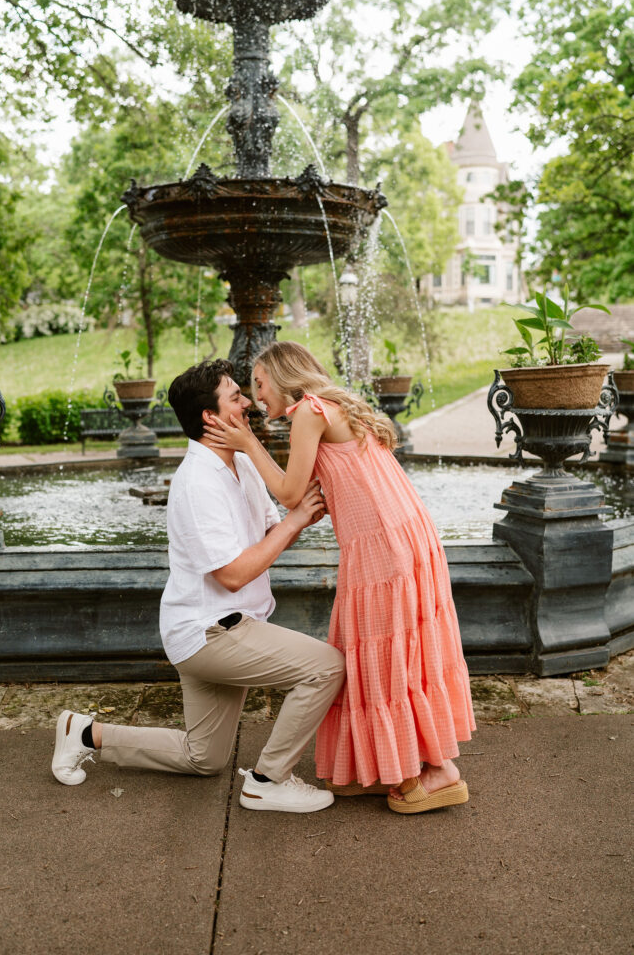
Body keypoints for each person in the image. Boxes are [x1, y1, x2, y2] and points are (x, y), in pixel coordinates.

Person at [51, 358, 345, 814]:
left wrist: (299, 515)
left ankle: (84, 732)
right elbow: (230, 575)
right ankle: (270, 779)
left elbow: (274, 530)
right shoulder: (196, 483)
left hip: (223, 626)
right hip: (211, 633)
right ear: (211, 417)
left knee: (203, 757)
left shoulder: (242, 464)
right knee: (326, 667)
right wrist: (296, 521)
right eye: (235, 397)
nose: (247, 402)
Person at [203, 341, 476, 814]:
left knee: (391, 656)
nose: (256, 396)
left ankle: (438, 772)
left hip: (383, 548)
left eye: (260, 384)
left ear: (284, 377)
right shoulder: (327, 406)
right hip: (398, 537)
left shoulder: (309, 411)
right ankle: (398, 764)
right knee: (391, 653)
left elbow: (291, 494)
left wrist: (247, 445)